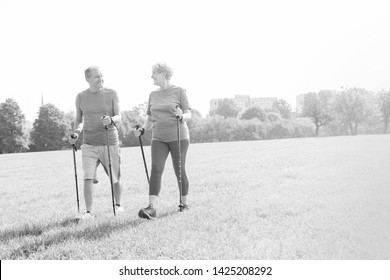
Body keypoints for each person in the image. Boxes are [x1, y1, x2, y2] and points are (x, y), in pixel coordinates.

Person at [135, 63, 192, 219]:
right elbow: (150, 118)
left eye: (154, 73)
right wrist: (143, 129)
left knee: (179, 169)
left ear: (163, 73)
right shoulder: (153, 95)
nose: (151, 76)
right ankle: (151, 208)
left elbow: (188, 114)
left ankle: (184, 203)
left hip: (178, 136)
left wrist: (182, 115)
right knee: (156, 169)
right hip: (158, 137)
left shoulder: (179, 91)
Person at [69, 66, 123, 219]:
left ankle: (118, 205)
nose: (101, 79)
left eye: (101, 76)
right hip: (89, 143)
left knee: (115, 177)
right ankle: (89, 212)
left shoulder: (111, 93)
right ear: (88, 79)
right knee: (87, 177)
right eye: (97, 77)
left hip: (109, 141)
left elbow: (119, 115)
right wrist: (76, 132)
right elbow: (79, 120)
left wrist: (111, 119)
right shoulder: (80, 97)